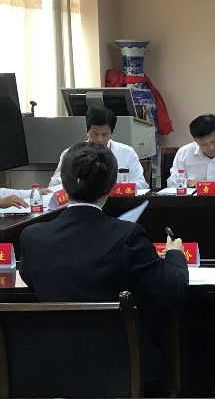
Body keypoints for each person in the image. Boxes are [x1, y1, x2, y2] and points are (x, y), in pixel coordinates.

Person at [19, 142, 189, 385]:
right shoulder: (127, 235)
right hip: (123, 367)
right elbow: (173, 290)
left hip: (53, 368)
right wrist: (174, 255)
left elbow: (31, 280)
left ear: (64, 184)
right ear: (111, 185)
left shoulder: (33, 236)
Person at [48, 106, 149, 194]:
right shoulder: (71, 153)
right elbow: (54, 185)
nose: (99, 139)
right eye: (95, 134)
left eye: (105, 134)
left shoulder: (127, 153)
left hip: (120, 204)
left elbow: (142, 185)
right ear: (87, 131)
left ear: (112, 133)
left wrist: (110, 189)